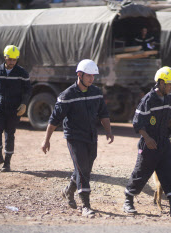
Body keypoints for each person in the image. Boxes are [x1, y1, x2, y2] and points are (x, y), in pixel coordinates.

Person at [41, 59, 114, 217]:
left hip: (91, 136)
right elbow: (54, 120)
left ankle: (68, 190)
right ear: (79, 75)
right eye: (88, 76)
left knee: (85, 168)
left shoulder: (96, 92)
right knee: (82, 168)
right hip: (74, 137)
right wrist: (46, 140)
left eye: (93, 76)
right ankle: (86, 205)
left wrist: (108, 131)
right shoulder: (67, 95)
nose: (91, 79)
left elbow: (103, 113)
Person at [123, 66, 171, 217]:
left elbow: (167, 117)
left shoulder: (167, 98)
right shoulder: (148, 100)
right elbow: (137, 123)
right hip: (149, 145)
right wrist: (147, 139)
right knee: (141, 173)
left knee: (169, 173)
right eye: (170, 84)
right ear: (161, 83)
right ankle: (128, 200)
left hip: (164, 143)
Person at [0, 45, 32, 172]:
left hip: (14, 108)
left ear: (17, 59)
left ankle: (7, 163)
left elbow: (28, 90)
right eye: (9, 59)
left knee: (9, 134)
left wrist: (24, 104)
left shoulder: (22, 73)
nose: (11, 62)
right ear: (4, 57)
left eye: (14, 59)